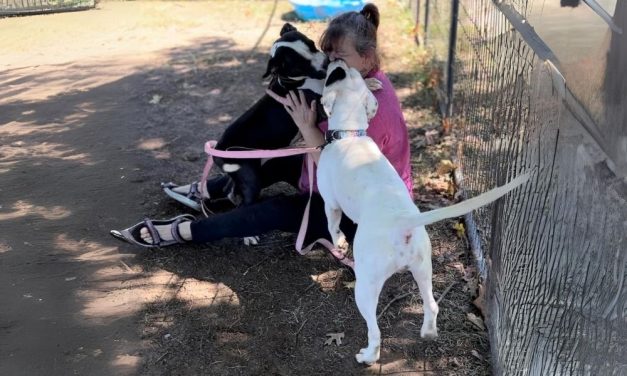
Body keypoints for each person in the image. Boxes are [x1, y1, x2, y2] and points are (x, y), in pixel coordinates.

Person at [110, 3, 414, 250]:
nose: (330, 62)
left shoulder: (374, 109)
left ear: (367, 57)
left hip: (364, 209)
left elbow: (342, 170)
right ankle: (211, 190)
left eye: (340, 57)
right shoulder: (352, 80)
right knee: (275, 160)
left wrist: (307, 129)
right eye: (327, 54)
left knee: (275, 210)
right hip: (342, 178)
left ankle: (185, 231)